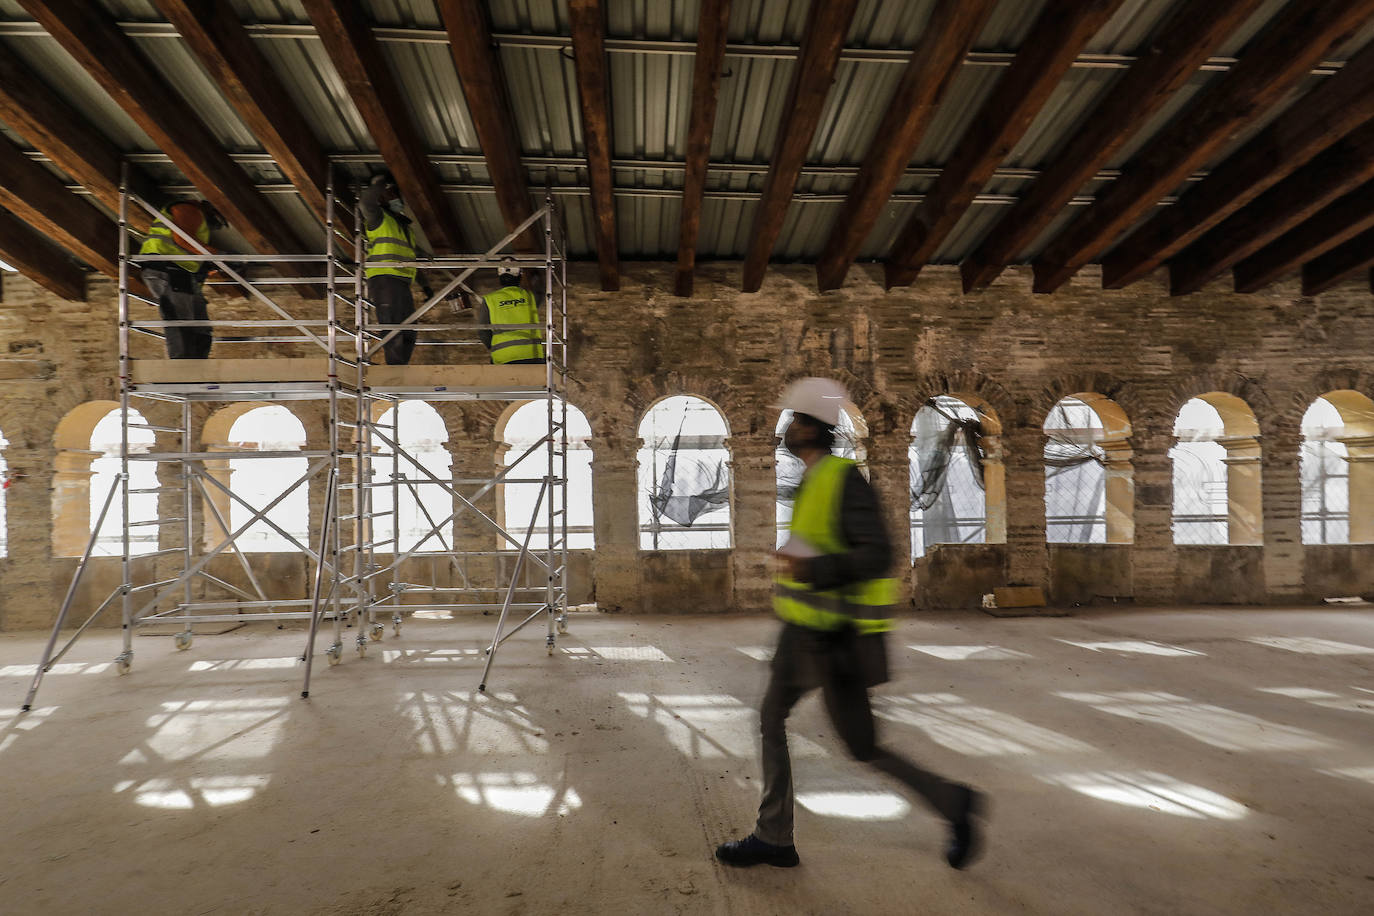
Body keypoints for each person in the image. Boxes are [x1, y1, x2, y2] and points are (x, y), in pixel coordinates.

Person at [715, 378, 986, 871]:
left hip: (834, 639)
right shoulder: (813, 480)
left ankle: (953, 802)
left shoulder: (844, 480)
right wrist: (796, 559)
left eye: (795, 420)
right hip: (803, 632)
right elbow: (821, 543)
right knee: (772, 717)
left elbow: (878, 554)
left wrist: (809, 568)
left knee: (862, 747)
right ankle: (774, 837)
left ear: (813, 429)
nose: (787, 427)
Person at [138, 198, 225, 359]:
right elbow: (184, 240)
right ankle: (181, 371)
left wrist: (207, 266)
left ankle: (197, 369)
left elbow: (188, 251)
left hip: (182, 274)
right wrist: (220, 256)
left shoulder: (197, 219)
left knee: (200, 328)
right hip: (168, 270)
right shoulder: (188, 209)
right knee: (180, 321)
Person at [362, 171, 433, 365]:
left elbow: (413, 259)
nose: (397, 198)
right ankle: (394, 370)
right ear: (382, 198)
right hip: (384, 279)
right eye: (392, 194)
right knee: (392, 323)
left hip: (401, 283)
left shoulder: (405, 229)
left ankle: (400, 367)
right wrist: (380, 185)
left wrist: (425, 286)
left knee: (409, 325)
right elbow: (365, 202)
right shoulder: (378, 218)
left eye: (397, 194)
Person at [477, 257, 545, 365]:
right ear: (519, 275)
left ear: (500, 276)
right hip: (532, 355)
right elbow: (540, 290)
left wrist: (495, 346)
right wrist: (535, 275)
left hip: (502, 356)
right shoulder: (530, 297)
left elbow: (482, 331)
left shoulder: (490, 300)